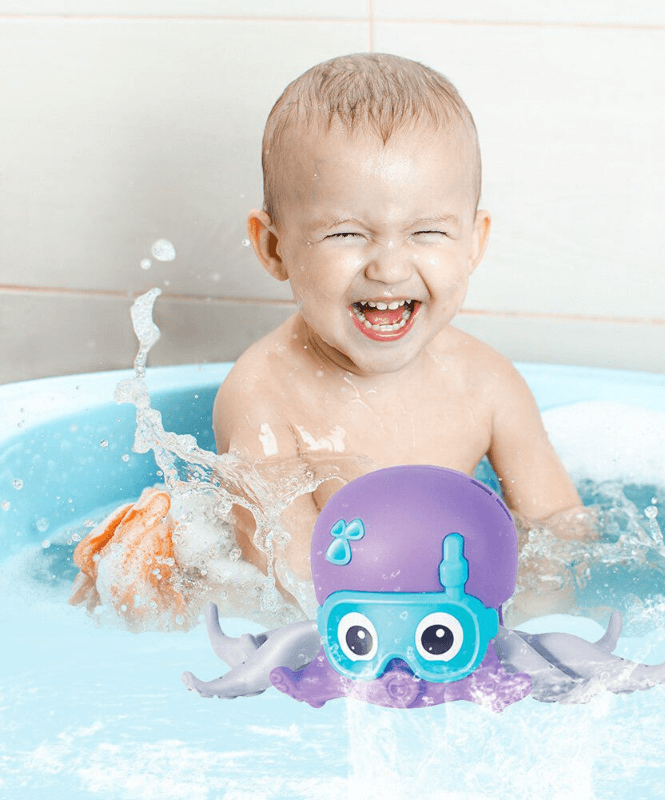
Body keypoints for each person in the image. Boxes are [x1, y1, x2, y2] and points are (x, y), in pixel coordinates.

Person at [70, 53, 592, 628]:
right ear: (274, 248)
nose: (389, 268)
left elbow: (559, 533)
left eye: (427, 232)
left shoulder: (487, 382)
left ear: (473, 242)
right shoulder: (264, 396)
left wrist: (528, 631)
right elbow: (286, 586)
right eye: (346, 234)